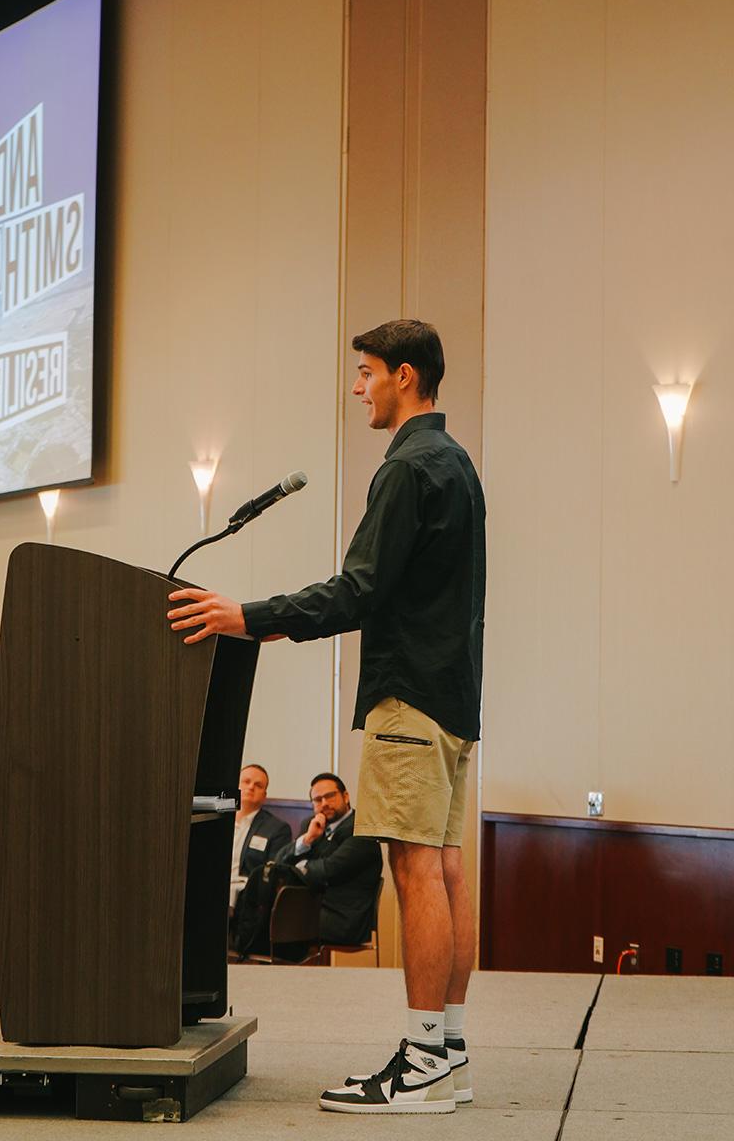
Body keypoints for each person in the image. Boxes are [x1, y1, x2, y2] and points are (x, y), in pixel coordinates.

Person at [167, 320, 485, 1115]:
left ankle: (419, 1063)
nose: (358, 389)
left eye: (366, 373)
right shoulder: (459, 465)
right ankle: (447, 1049)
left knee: (415, 869)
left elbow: (360, 588)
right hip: (452, 694)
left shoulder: (408, 467)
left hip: (408, 693)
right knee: (444, 866)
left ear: (404, 376)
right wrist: (275, 620)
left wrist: (251, 613)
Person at [275, 772, 382, 946]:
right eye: (318, 800)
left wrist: (299, 867)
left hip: (344, 918)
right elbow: (279, 863)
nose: (324, 803)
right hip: (314, 908)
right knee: (267, 912)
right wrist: (307, 839)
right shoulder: (312, 825)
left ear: (345, 796)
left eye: (330, 796)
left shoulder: (362, 829)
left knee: (280, 920)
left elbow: (328, 870)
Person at [230, 764, 291, 908]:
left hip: (247, 901)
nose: (251, 787)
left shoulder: (277, 829)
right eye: (246, 781)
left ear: (264, 796)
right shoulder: (216, 818)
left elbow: (272, 874)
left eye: (258, 785)